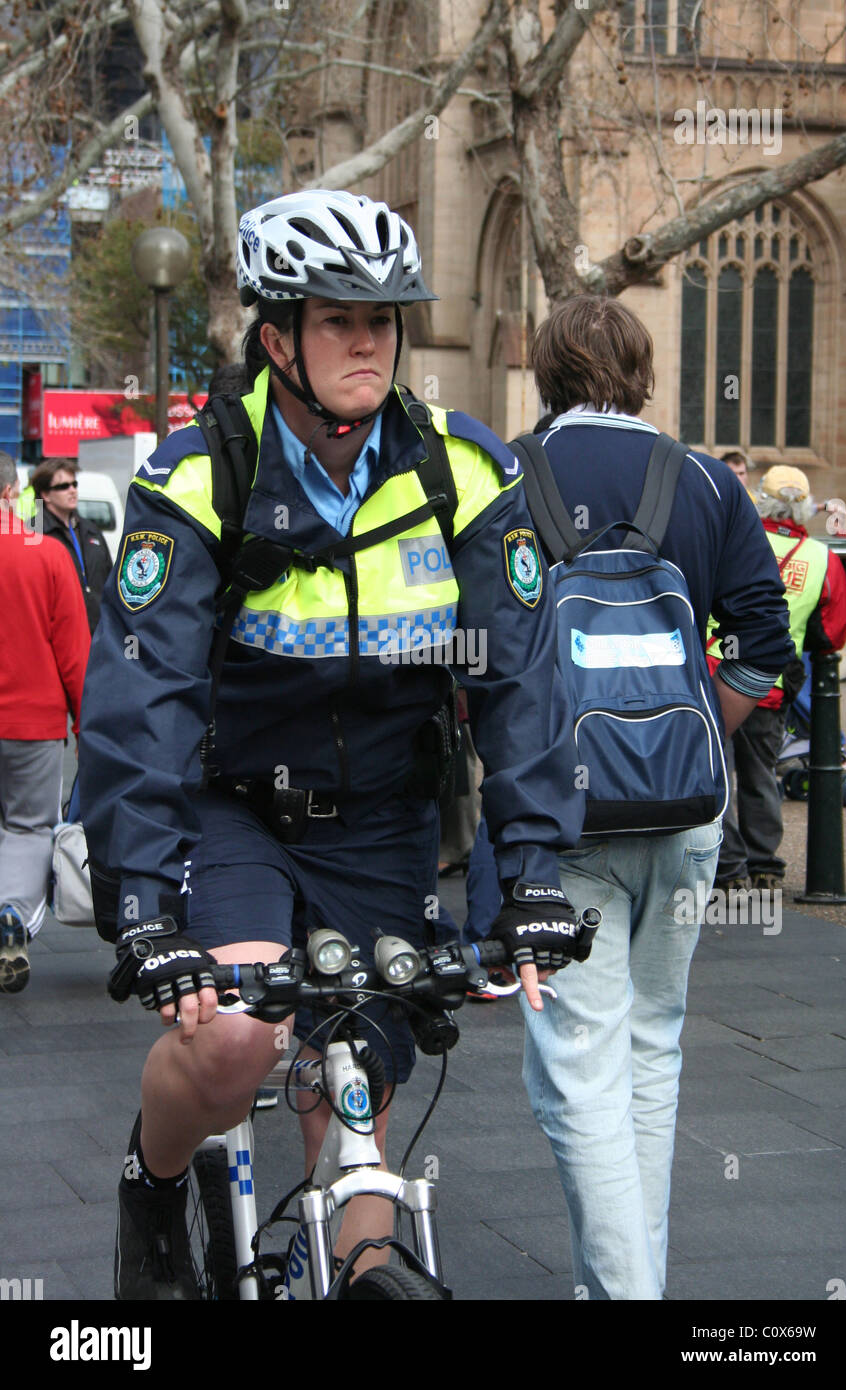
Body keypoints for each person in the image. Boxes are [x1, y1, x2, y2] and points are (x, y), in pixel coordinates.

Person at [78, 189, 587, 1300]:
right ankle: (153, 1182)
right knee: (234, 1044)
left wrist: (533, 875)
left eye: (384, 321)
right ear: (277, 340)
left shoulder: (462, 470)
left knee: (357, 1082)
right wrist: (145, 909)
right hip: (232, 810)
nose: (369, 343)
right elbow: (142, 695)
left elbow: (521, 684)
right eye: (338, 320)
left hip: (381, 819)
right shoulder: (200, 471)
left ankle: (358, 1269)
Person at [518, 294, 794, 1300]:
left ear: (545, 371)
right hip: (686, 816)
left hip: (560, 813)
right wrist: (694, 737)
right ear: (639, 371)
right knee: (650, 1050)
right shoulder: (707, 483)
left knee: (577, 1063)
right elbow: (766, 644)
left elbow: (477, 656)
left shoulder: (511, 473)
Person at [708, 465, 846, 893]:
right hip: (771, 683)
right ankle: (764, 863)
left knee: (719, 773)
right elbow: (831, 634)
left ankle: (727, 868)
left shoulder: (735, 539)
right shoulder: (823, 559)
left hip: (718, 673)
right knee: (761, 774)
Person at [0, 451, 91, 991]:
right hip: (33, 722)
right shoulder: (46, 553)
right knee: (28, 827)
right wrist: (86, 726)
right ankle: (12, 915)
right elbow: (74, 653)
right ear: (14, 493)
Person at [30, 459, 112, 634]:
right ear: (45, 494)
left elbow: (109, 579)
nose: (72, 490)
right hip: (60, 634)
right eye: (63, 486)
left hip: (98, 632)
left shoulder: (91, 530)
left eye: (74, 484)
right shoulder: (33, 532)